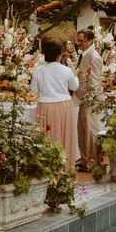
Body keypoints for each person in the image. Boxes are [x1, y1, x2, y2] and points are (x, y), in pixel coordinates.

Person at [30, 39, 79, 171]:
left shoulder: (38, 70)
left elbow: (34, 90)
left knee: (47, 136)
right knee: (64, 135)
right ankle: (65, 167)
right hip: (64, 104)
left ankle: (46, 167)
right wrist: (76, 75)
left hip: (45, 105)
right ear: (60, 54)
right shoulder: (66, 70)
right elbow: (74, 86)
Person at [74, 28, 104, 172]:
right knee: (82, 129)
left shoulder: (94, 57)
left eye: (81, 40)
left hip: (90, 99)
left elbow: (96, 81)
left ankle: (93, 160)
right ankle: (84, 157)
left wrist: (88, 98)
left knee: (91, 130)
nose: (78, 43)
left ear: (90, 40)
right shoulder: (84, 54)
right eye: (77, 40)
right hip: (81, 98)